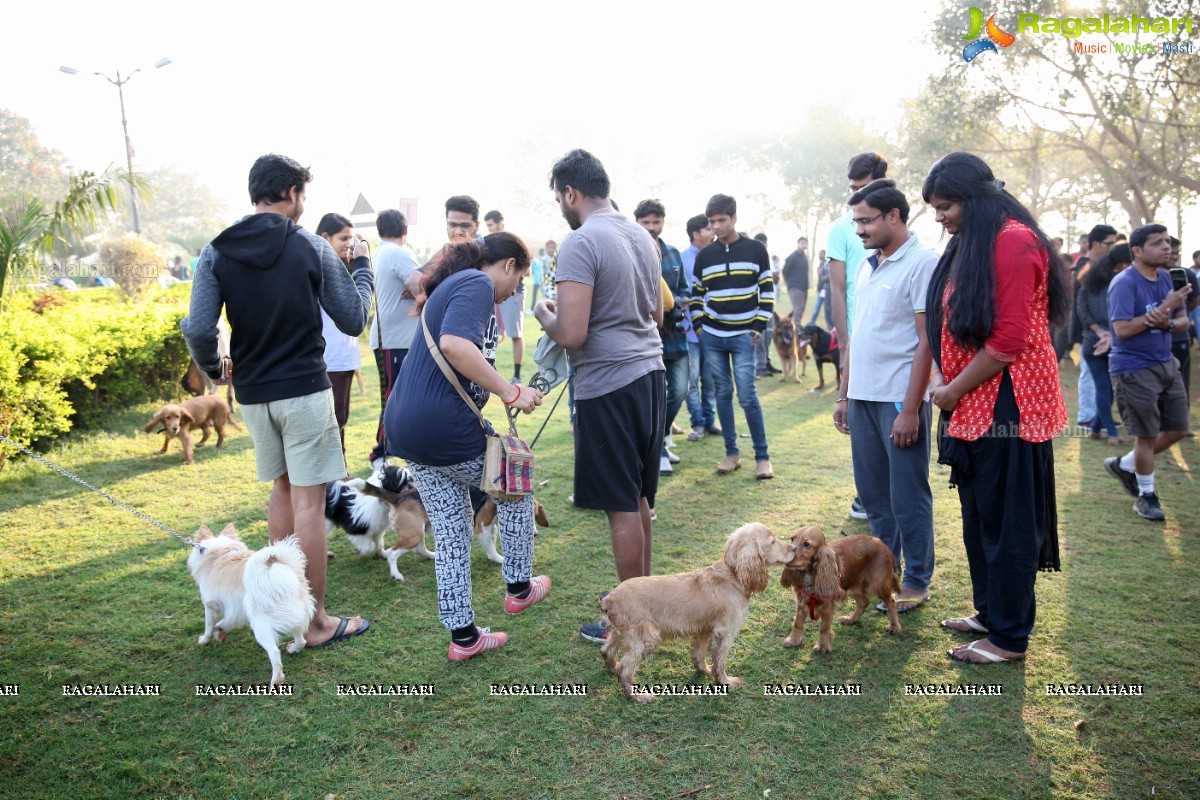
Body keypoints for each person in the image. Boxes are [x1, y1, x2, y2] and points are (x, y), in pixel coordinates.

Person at [182, 153, 374, 648]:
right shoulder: (311, 245)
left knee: (282, 492)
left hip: (254, 396)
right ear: (290, 193)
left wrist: (213, 367)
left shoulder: (216, 252)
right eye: (302, 195)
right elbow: (353, 318)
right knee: (309, 502)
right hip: (305, 390)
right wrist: (364, 269)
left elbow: (200, 327)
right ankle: (313, 624)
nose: (303, 205)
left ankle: (274, 606)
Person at [923, 151, 1069, 664]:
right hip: (972, 400)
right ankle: (990, 612)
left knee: (1008, 522)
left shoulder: (1013, 242)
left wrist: (954, 388)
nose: (939, 217)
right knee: (979, 513)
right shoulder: (976, 240)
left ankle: (1008, 637)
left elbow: (1007, 341)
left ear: (976, 200)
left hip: (1010, 404)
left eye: (946, 207)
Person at [385, 233, 546, 660]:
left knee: (454, 529)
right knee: (516, 486)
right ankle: (519, 587)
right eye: (521, 278)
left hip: (407, 428)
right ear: (508, 265)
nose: (516, 291)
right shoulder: (475, 284)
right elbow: (456, 347)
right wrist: (511, 392)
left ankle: (464, 637)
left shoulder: (453, 287)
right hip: (443, 427)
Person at [535, 149, 665, 644]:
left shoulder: (581, 241)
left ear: (571, 192)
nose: (560, 208)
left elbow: (570, 333)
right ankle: (648, 609)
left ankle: (631, 622)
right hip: (651, 376)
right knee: (638, 497)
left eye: (559, 198)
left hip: (609, 384)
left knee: (620, 505)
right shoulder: (641, 236)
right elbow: (656, 316)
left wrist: (546, 313)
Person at [832, 179, 938, 613]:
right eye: (856, 221)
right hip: (862, 397)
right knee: (873, 494)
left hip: (899, 399)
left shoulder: (924, 263)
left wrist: (911, 408)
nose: (858, 230)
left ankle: (916, 579)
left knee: (907, 493)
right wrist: (844, 394)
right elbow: (858, 335)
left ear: (894, 216)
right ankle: (882, 574)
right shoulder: (866, 265)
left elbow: (927, 340)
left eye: (866, 220)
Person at [1103, 224, 1192, 521]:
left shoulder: (1168, 276)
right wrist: (1165, 309)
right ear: (1137, 251)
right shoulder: (1124, 283)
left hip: (1166, 361)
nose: (1166, 248)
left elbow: (1182, 323)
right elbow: (1122, 330)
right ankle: (1146, 496)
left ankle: (1125, 464)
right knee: (1146, 435)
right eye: (1157, 243)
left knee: (1179, 428)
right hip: (1134, 367)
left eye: (1167, 242)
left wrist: (1164, 321)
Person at [689, 194, 774, 479]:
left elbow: (768, 292)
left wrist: (757, 329)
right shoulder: (705, 255)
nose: (716, 226)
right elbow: (697, 294)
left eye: (721, 220)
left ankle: (762, 458)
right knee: (722, 394)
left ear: (734, 218)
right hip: (712, 336)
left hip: (743, 336)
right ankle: (732, 453)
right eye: (711, 222)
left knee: (748, 395)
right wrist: (700, 327)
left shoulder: (755, 250)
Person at [828, 152, 888, 521]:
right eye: (853, 189)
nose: (859, 194)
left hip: (898, 343)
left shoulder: (898, 225)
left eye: (865, 187)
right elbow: (837, 289)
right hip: (858, 343)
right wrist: (844, 343)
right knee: (858, 421)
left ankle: (887, 496)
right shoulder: (842, 228)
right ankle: (866, 495)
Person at [634, 199, 688, 476]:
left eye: (656, 222)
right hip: (645, 339)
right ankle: (659, 451)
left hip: (675, 336)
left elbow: (684, 292)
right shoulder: (629, 253)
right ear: (637, 223)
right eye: (646, 223)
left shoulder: (674, 254)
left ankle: (664, 435)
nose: (652, 228)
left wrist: (674, 305)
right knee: (655, 398)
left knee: (679, 390)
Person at [367, 209, 419, 473]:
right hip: (395, 340)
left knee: (397, 398)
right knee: (394, 399)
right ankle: (380, 453)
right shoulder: (399, 253)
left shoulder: (381, 252)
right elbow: (421, 283)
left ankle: (389, 450)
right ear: (405, 230)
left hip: (391, 338)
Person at [315, 212, 365, 469]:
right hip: (328, 358)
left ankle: (339, 471)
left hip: (342, 358)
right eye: (343, 238)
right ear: (325, 238)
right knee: (332, 420)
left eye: (352, 238)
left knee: (340, 418)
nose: (349, 243)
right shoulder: (320, 269)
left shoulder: (343, 268)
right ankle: (333, 475)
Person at [1075, 244, 1132, 445]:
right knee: (1105, 388)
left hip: (1096, 340)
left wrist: (1100, 331)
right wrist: (1103, 333)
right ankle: (1112, 433)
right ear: (1125, 263)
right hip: (1104, 341)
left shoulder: (1088, 284)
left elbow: (1082, 312)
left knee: (1106, 388)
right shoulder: (1121, 284)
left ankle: (1096, 429)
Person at [1072, 225, 1118, 429]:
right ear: (1097, 244)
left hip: (1101, 331)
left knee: (1103, 380)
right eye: (1110, 243)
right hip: (1088, 332)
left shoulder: (1102, 266)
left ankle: (1099, 417)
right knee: (1090, 376)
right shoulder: (1084, 266)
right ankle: (1087, 417)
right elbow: (1080, 306)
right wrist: (1095, 330)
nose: (1112, 248)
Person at [681, 214, 719, 441]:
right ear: (696, 234)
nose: (713, 231)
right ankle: (697, 424)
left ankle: (710, 421)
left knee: (711, 378)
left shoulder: (715, 257)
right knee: (691, 380)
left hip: (713, 329)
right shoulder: (682, 259)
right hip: (689, 331)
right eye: (708, 229)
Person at [485, 209, 526, 384]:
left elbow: (526, 268)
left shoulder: (513, 241)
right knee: (490, 333)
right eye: (486, 225)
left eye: (491, 225)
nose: (489, 228)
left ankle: (516, 376)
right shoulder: (489, 243)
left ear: (500, 222)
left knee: (516, 334)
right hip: (494, 292)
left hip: (514, 294)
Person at [782, 236, 810, 323]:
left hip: (804, 288)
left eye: (805, 243)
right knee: (798, 308)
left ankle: (795, 328)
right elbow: (785, 271)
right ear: (798, 244)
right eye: (802, 243)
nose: (804, 245)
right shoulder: (792, 257)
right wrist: (788, 283)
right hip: (795, 287)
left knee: (800, 310)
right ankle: (795, 331)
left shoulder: (804, 257)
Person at [808, 250, 833, 328]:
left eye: (822, 254)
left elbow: (829, 276)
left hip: (827, 289)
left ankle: (831, 326)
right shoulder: (820, 265)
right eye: (819, 254)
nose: (820, 255)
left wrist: (826, 278)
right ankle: (812, 321)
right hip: (820, 290)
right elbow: (820, 278)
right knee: (817, 307)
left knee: (828, 309)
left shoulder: (827, 264)